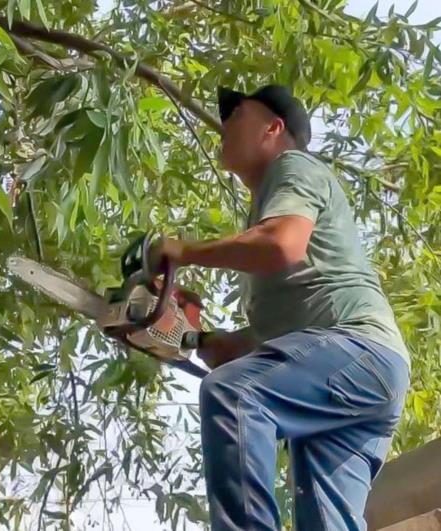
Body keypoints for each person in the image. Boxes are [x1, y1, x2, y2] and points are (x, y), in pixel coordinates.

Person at [148, 84, 410, 530]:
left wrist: (183, 252)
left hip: (358, 352)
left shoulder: (294, 167)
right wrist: (194, 335)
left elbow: (281, 245)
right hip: (364, 377)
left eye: (237, 113)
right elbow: (272, 350)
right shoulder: (276, 245)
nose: (225, 122)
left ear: (273, 127)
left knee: (233, 393)